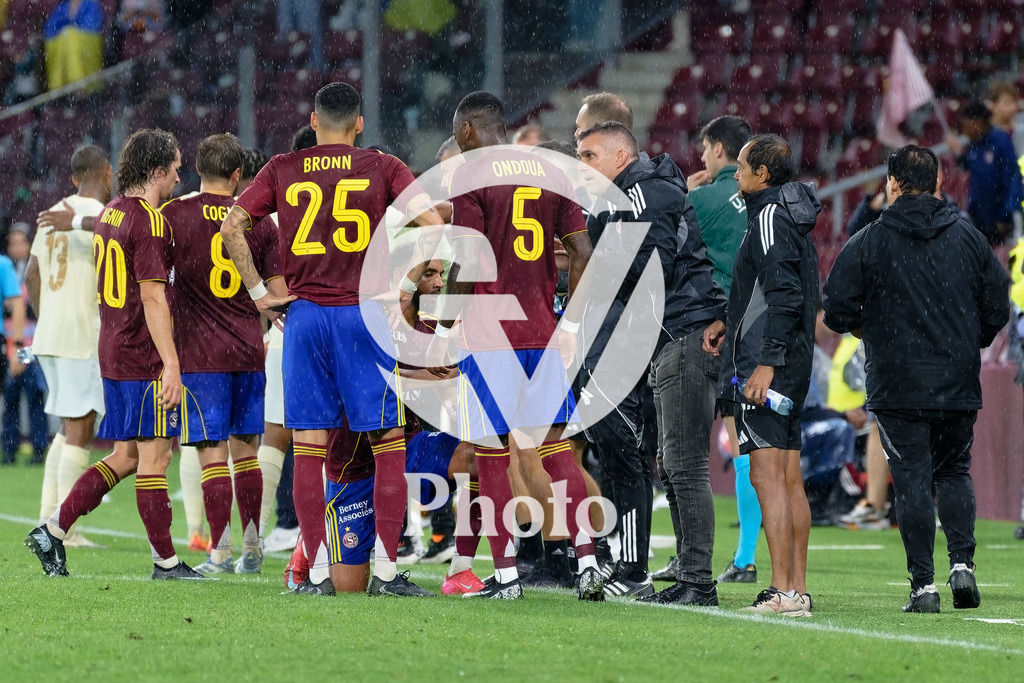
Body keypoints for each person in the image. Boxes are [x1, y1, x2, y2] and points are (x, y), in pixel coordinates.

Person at [222, 82, 444, 597]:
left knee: (309, 447)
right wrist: (404, 289)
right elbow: (434, 226)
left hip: (303, 318)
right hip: (361, 315)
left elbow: (234, 227)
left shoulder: (282, 167)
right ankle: (387, 572)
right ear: (360, 123)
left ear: (315, 123)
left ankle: (317, 571)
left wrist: (258, 294)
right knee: (388, 443)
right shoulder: (384, 166)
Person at [427, 91, 602, 600]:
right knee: (556, 450)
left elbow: (467, 259)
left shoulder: (471, 175)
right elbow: (583, 250)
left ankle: (504, 577)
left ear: (466, 133)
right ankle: (588, 563)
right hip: (543, 332)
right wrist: (568, 324)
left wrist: (442, 331)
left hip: (489, 335)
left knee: (490, 453)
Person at [823, 144, 1010, 613]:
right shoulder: (967, 236)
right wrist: (969, 341)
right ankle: (962, 565)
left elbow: (837, 306)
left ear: (891, 184)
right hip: (955, 379)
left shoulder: (869, 239)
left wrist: (874, 331)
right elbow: (997, 306)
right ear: (940, 183)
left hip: (897, 382)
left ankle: (923, 587)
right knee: (953, 472)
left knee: (911, 480)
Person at [26, 128, 204, 580]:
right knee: (155, 458)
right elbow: (152, 298)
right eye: (176, 169)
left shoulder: (112, 214)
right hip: (141, 352)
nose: (180, 177)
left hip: (111, 348)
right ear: (157, 171)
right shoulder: (148, 219)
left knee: (125, 455)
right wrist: (171, 363)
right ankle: (165, 562)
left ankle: (53, 528)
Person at [575, 121, 727, 603]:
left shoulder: (644, 193)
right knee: (671, 460)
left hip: (683, 329)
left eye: (589, 156)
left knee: (684, 463)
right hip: (671, 335)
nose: (582, 169)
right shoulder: (626, 198)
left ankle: (697, 580)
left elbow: (653, 271)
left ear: (620, 157)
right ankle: (688, 571)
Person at [706, 133, 819, 616]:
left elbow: (785, 295)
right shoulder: (789, 215)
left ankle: (782, 590)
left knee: (769, 476)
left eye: (742, 167)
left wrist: (765, 362)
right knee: (789, 475)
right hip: (790, 359)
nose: (736, 174)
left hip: (766, 365)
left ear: (763, 175)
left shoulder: (770, 217)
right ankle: (795, 587)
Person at [160, 133, 283, 576]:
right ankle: (252, 548)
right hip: (249, 349)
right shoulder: (261, 223)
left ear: (197, 169)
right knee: (247, 451)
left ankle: (220, 552)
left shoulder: (173, 215)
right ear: (237, 176)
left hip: (200, 354)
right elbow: (278, 291)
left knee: (211, 453)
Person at [680, 114, 760, 585]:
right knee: (749, 441)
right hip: (756, 329)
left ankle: (695, 557)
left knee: (686, 450)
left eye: (706, 149)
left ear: (718, 151)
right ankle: (746, 556)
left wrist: (693, 196)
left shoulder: (701, 199)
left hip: (706, 328)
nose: (702, 156)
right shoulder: (764, 199)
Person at [27, 145, 110, 547]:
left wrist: (47, 318)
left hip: (49, 334)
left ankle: (47, 515)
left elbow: (31, 275)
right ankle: (66, 528)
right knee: (81, 428)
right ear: (107, 172)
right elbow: (117, 225)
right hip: (80, 332)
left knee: (66, 427)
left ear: (74, 176)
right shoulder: (99, 215)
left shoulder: (50, 213)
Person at [3, 226, 50, 467]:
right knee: (10, 401)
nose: (17, 248)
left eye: (21, 242)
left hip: (30, 347)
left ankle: (39, 448)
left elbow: (33, 309)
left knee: (33, 398)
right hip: (10, 346)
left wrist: (20, 355)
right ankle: (9, 450)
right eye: (13, 243)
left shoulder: (36, 272)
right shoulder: (6, 271)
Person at [947, 100, 1024, 245]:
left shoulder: (1000, 141)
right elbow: (971, 167)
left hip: (999, 219)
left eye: (966, 125)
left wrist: (1005, 217)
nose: (964, 131)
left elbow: (1012, 178)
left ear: (979, 122)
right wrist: (958, 154)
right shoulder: (974, 145)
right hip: (979, 218)